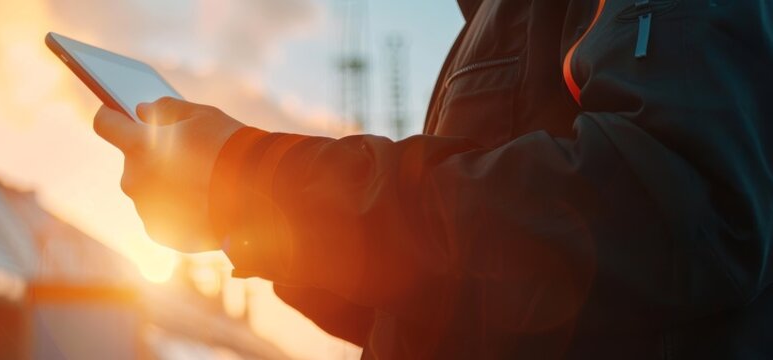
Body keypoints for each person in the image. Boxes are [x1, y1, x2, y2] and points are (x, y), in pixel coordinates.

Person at [93, 1, 773, 358]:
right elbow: (462, 295)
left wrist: (253, 172)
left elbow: (671, 210)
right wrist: (244, 214)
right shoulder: (494, 21)